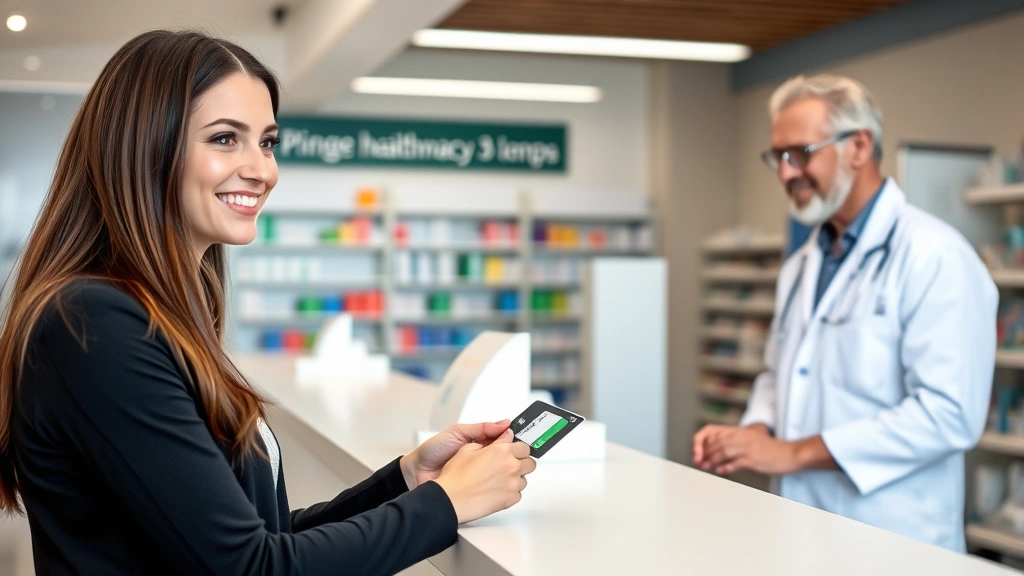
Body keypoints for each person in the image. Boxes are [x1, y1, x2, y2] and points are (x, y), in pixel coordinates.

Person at [0, 30, 536, 575]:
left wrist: (407, 480)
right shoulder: (91, 322)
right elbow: (251, 568)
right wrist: (446, 505)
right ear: (143, 146)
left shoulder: (155, 316)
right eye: (225, 139)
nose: (262, 169)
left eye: (267, 142)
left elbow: (253, 537)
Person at [692, 74, 997, 551]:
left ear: (858, 146)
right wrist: (752, 433)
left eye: (799, 153)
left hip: (894, 540)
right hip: (800, 526)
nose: (785, 174)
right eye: (778, 157)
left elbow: (949, 413)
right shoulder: (802, 265)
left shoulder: (934, 255)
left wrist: (793, 453)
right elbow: (779, 374)